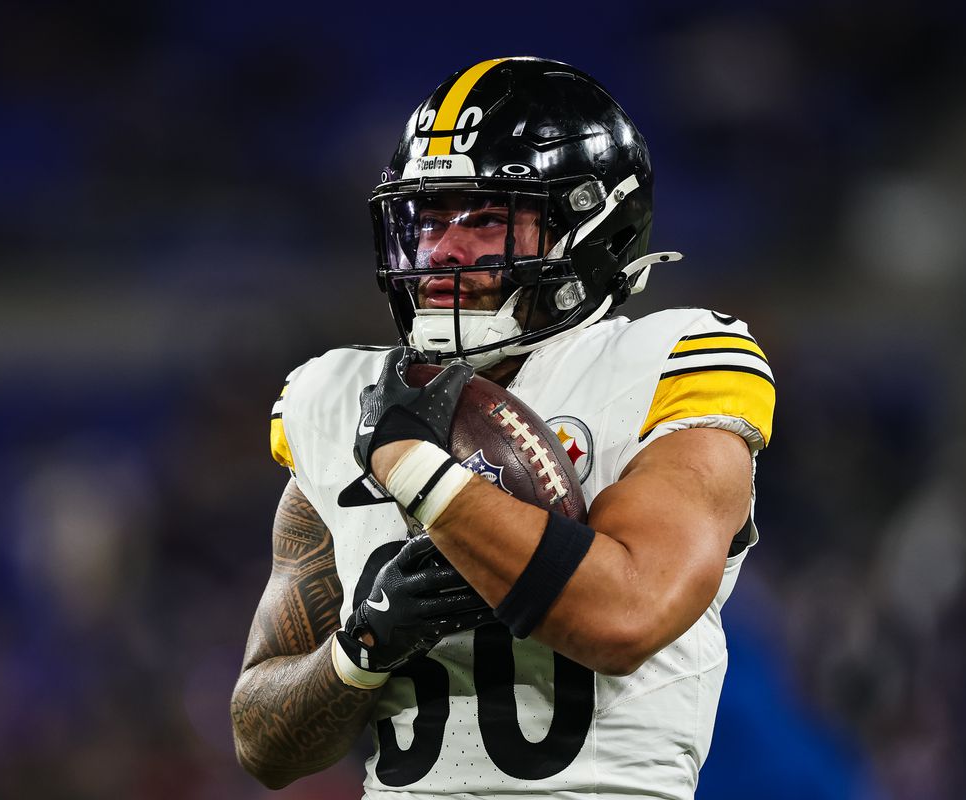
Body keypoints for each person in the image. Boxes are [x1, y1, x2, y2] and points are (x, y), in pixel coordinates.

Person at [231, 56, 775, 799]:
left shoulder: (669, 365)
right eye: (428, 220)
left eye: (485, 218)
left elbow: (628, 615)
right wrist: (366, 645)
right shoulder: (338, 397)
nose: (444, 251)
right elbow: (261, 742)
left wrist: (416, 470)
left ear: (592, 224)